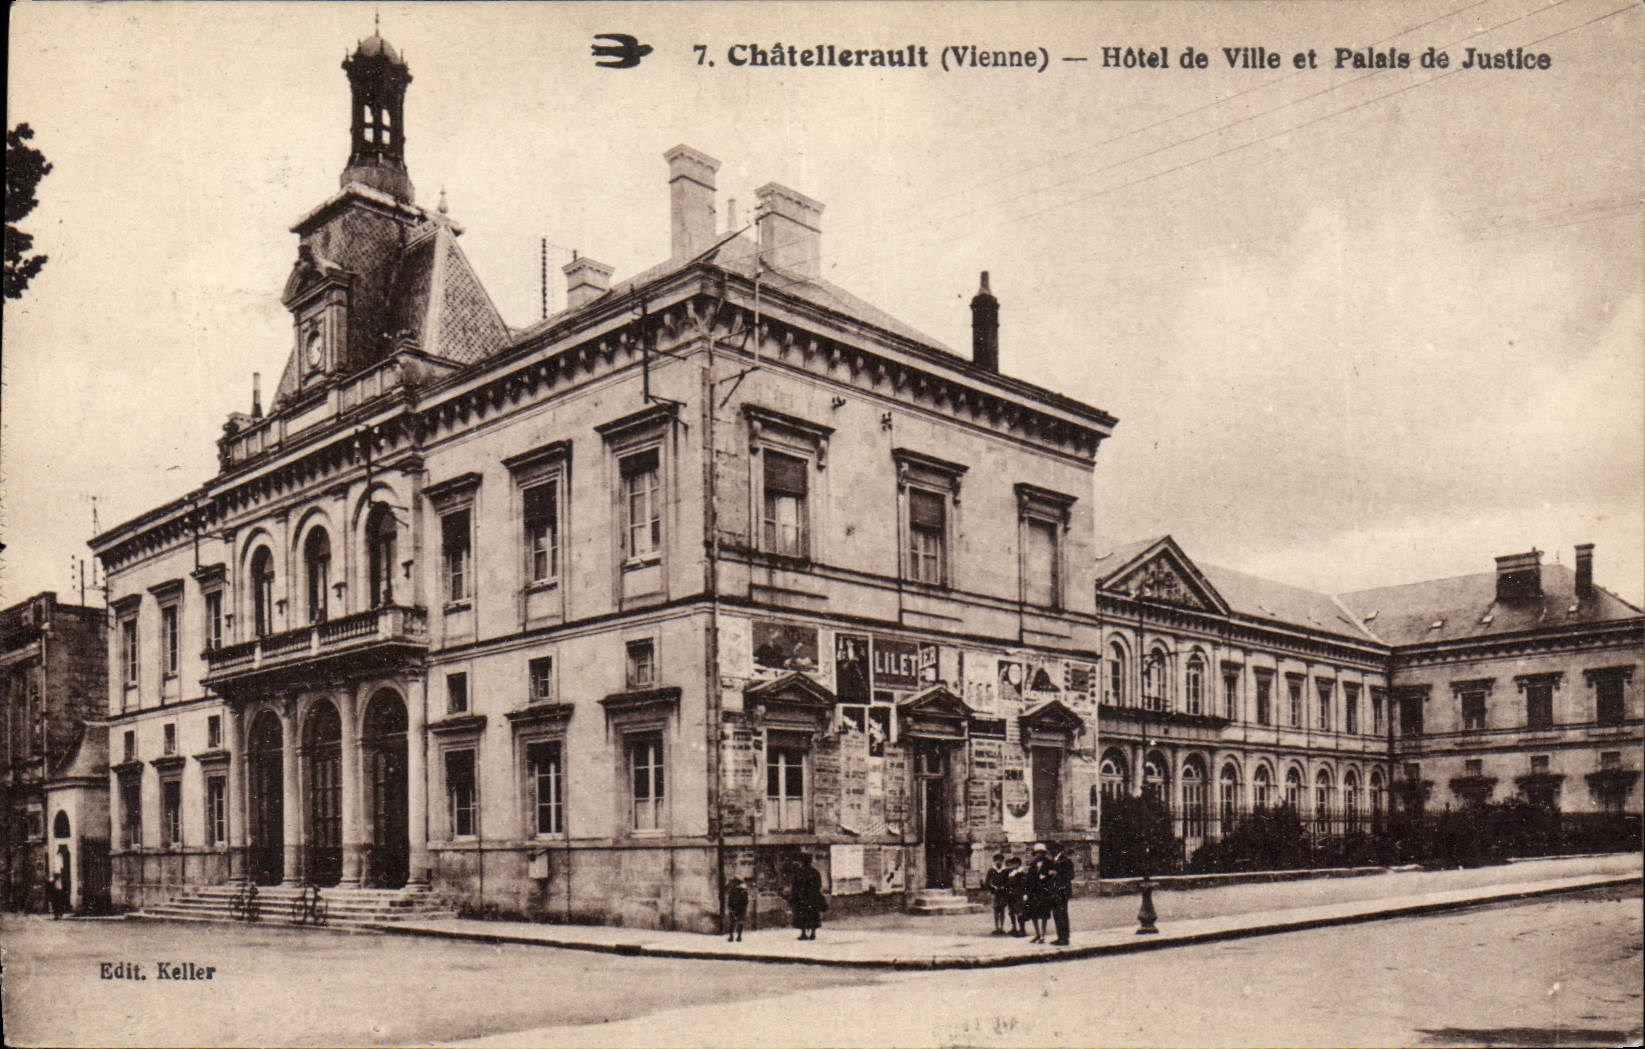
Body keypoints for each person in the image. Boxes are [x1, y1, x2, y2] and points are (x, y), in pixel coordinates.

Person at [789, 854, 827, 941]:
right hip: (812, 897)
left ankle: (803, 933)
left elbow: (795, 886)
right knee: (813, 915)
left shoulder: (798, 872)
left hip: (801, 898)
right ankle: (813, 933)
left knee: (801, 915)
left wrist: (793, 897)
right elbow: (819, 885)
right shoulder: (815, 872)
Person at [1048, 842, 1074, 946]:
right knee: (1057, 914)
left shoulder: (1065, 861)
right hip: (1055, 891)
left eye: (1052, 849)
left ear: (1057, 849)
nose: (1050, 852)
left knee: (1062, 914)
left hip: (1062, 891)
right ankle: (1060, 937)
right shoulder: (1054, 861)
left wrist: (1057, 873)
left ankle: (1064, 938)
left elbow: (1070, 876)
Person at [1027, 842, 1054, 943]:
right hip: (1034, 892)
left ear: (1044, 853)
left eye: (1041, 853)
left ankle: (1043, 935)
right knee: (1034, 914)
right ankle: (1037, 934)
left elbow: (1053, 876)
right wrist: (1028, 891)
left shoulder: (1049, 863)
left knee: (1044, 914)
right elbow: (1029, 879)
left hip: (1044, 891)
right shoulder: (1033, 864)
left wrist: (1046, 877)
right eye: (1037, 853)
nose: (1039, 855)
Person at [984, 852, 1011, 934]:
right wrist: (992, 888)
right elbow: (987, 882)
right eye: (996, 860)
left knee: (1002, 910)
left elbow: (1009, 881)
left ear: (1002, 861)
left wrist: (1004, 887)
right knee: (996, 910)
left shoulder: (1005, 870)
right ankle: (996, 927)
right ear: (994, 861)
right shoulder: (991, 870)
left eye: (1000, 860)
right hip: (994, 893)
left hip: (1003, 893)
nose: (998, 862)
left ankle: (1002, 928)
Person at [1004, 856, 1028, 937]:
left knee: (1019, 912)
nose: (1013, 865)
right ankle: (1014, 928)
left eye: (1014, 863)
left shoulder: (1021, 872)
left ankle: (1022, 930)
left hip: (1018, 894)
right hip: (1011, 895)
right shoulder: (1012, 872)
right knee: (1012, 912)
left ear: (1018, 864)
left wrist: (1024, 894)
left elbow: (1024, 884)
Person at [724, 876, 749, 942]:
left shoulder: (733, 890)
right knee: (740, 922)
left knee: (732, 923)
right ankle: (739, 936)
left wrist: (730, 907)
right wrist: (744, 908)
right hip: (741, 909)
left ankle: (731, 937)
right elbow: (746, 901)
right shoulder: (744, 890)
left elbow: (730, 900)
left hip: (734, 908)